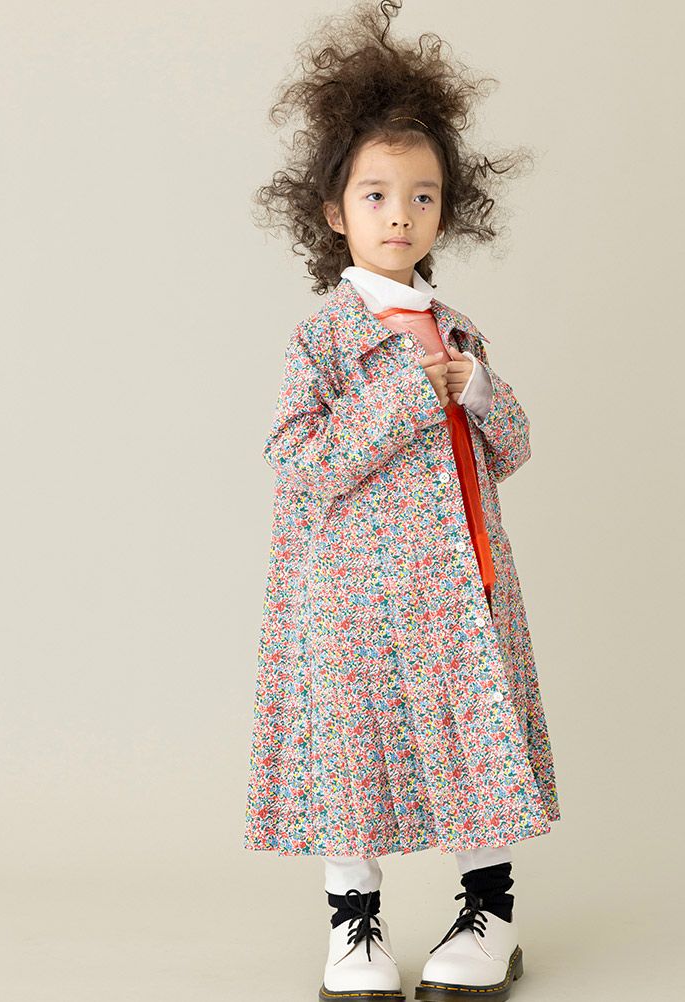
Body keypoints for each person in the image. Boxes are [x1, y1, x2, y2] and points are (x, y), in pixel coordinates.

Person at [243, 2, 561, 999]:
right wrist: (398, 401)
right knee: (355, 755)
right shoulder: (325, 339)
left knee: (478, 748)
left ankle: (489, 914)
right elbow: (297, 460)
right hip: (353, 598)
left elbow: (511, 450)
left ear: (446, 211)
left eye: (422, 196)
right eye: (375, 194)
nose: (399, 215)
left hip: (460, 590)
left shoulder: (458, 330)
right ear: (334, 211)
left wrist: (481, 391)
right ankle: (356, 928)